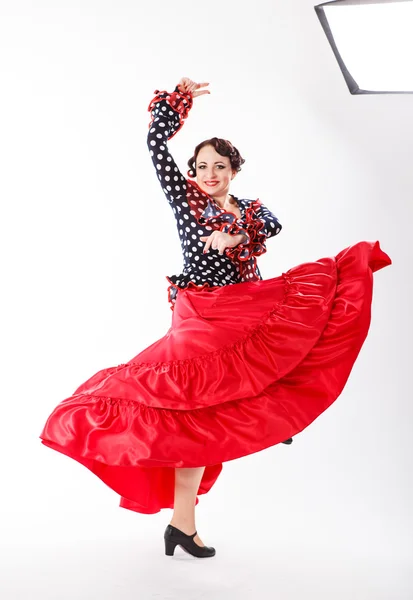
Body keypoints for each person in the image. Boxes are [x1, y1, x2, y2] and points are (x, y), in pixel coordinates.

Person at [39, 77, 392, 559]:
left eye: (218, 166)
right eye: (202, 166)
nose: (209, 173)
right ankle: (255, 425)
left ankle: (183, 524)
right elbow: (154, 144)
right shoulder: (186, 200)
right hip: (200, 312)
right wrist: (176, 103)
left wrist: (235, 236)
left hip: (245, 309)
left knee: (211, 411)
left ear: (233, 170)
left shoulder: (250, 209)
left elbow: (272, 224)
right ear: (193, 171)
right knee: (186, 401)